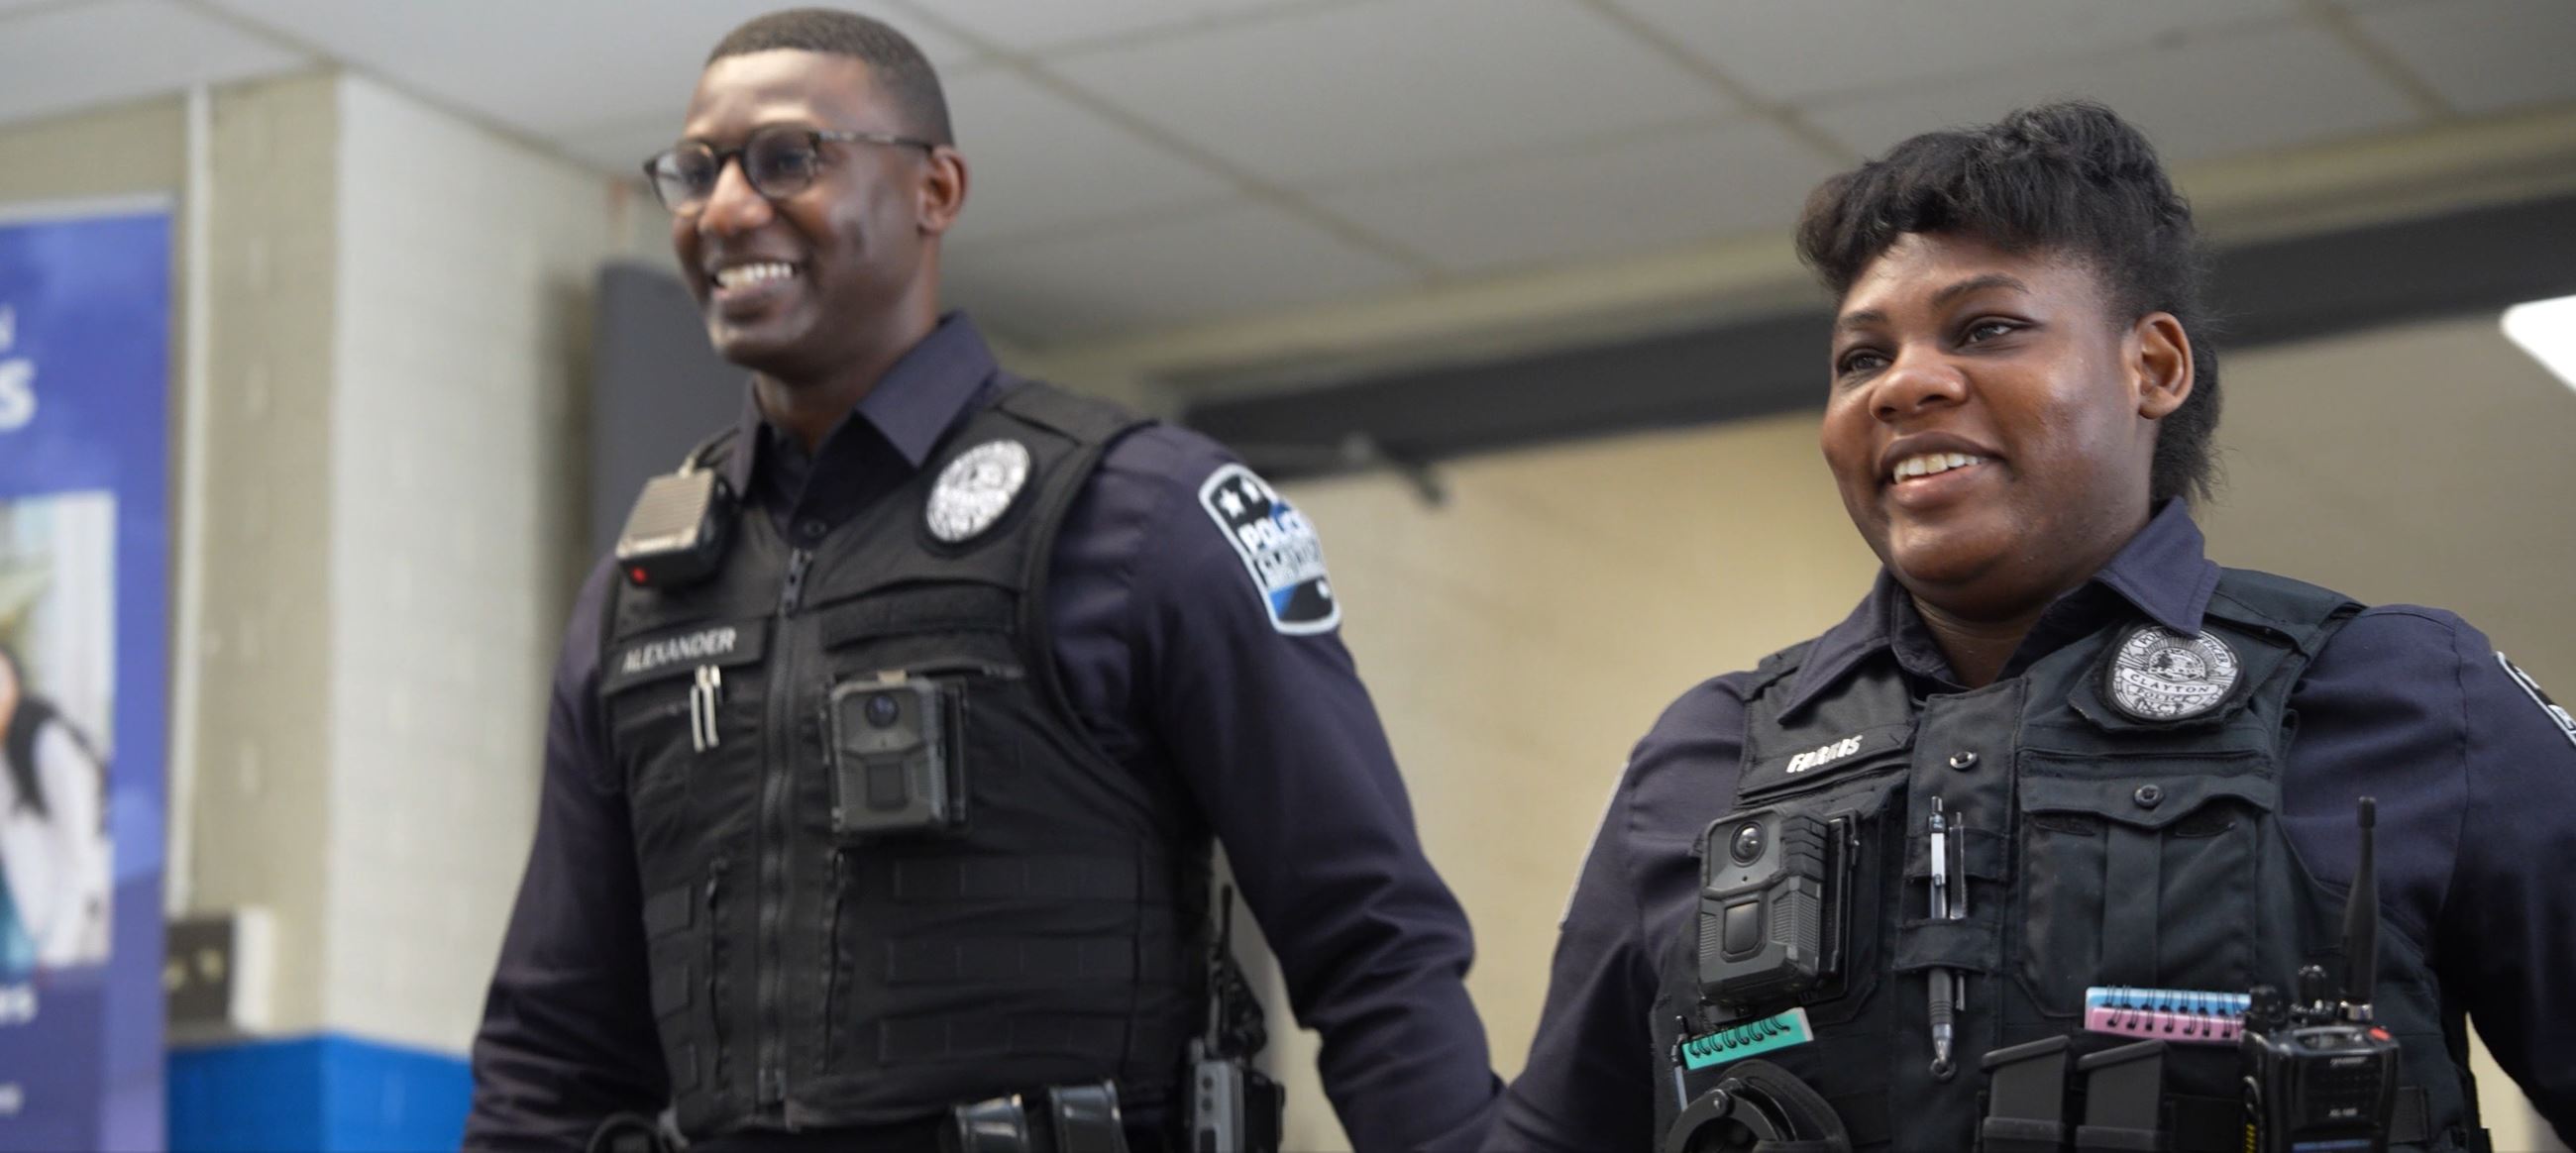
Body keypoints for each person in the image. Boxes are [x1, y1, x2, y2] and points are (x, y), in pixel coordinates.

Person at [463, 9, 1498, 1152]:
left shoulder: (1145, 517)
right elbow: (553, 1055)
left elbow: (1370, 942)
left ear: (935, 190)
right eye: (695, 170)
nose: (724, 208)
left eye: (786, 159)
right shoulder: (642, 595)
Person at [1490, 102, 2576, 1152]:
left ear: (2150, 367)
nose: (1904, 383)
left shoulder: (2406, 695)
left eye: (1987, 328)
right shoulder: (1706, 753)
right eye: (1859, 358)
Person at [0, 642, 110, 975]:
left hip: (54, 937)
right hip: (18, 921)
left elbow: (81, 861)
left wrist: (56, 953)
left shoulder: (49, 745)